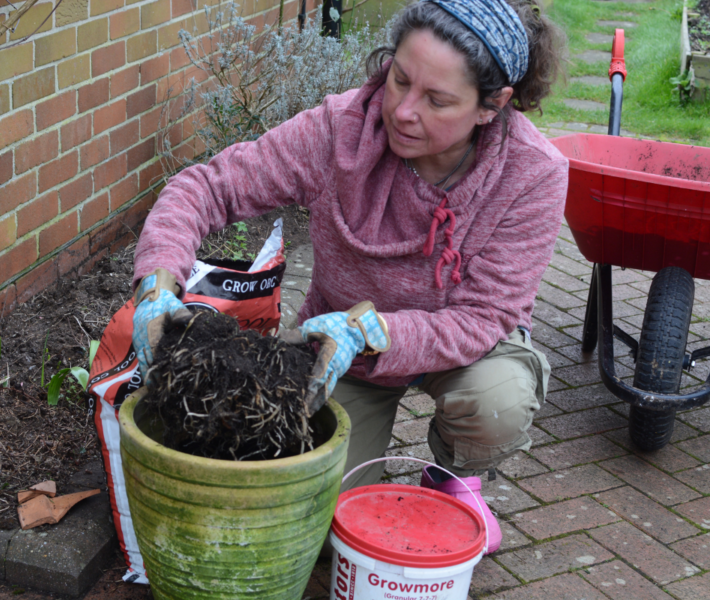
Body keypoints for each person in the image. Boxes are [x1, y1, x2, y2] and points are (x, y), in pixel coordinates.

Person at [131, 0, 567, 555]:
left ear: (492, 105)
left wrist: (374, 329)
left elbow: (485, 317)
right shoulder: (338, 130)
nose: (403, 112)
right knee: (314, 524)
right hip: (336, 348)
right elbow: (207, 187)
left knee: (495, 403)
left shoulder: (532, 174)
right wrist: (158, 279)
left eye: (437, 100)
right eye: (399, 80)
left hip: (466, 351)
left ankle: (455, 480)